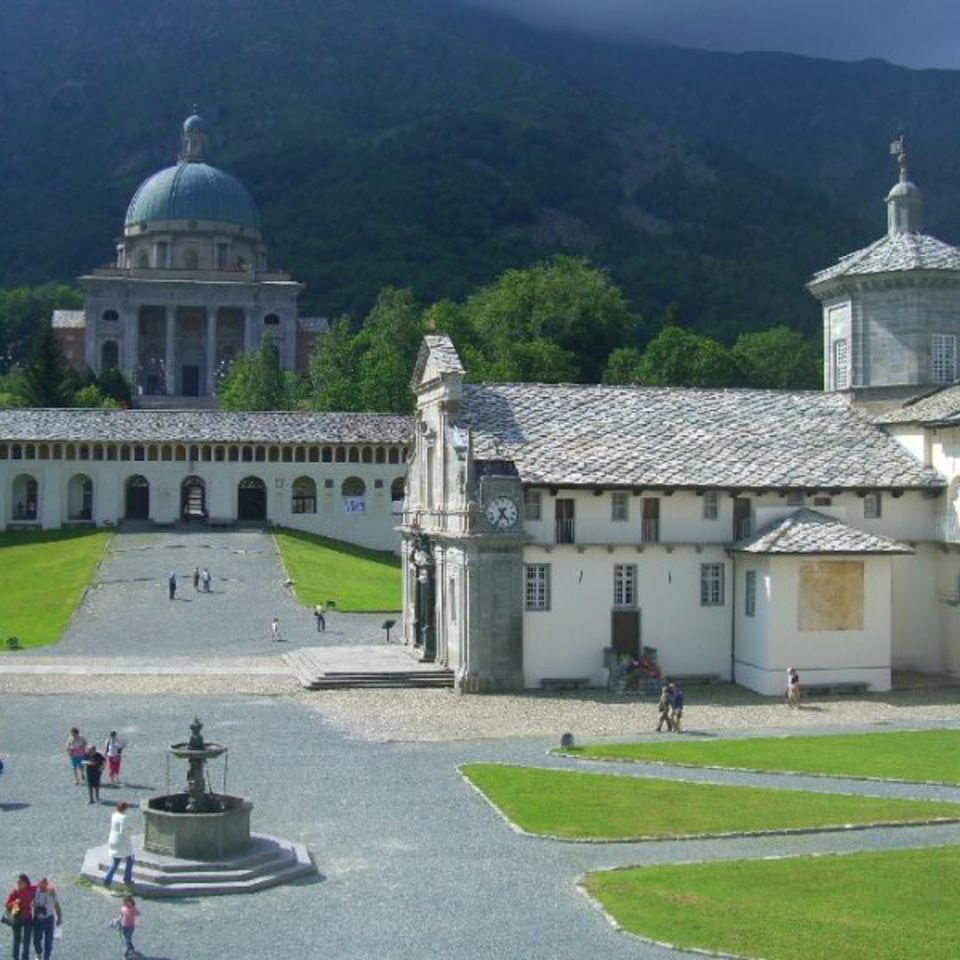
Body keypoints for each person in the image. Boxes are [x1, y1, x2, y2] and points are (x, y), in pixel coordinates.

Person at [104, 802, 134, 889]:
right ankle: (127, 879)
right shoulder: (124, 817)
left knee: (116, 861)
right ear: (125, 809)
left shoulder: (114, 815)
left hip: (113, 839)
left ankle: (107, 880)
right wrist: (130, 829)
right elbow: (123, 831)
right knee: (130, 859)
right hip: (122, 842)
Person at [4, 874, 34, 960]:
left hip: (28, 918)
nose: (18, 884)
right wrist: (15, 902)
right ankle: (15, 957)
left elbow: (40, 887)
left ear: (26, 883)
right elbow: (7, 905)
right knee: (16, 939)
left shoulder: (31, 889)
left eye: (20, 883)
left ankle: (25, 958)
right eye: (18, 882)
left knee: (27, 940)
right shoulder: (15, 892)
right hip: (17, 918)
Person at [31, 877, 61, 960]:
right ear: (38, 884)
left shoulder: (51, 892)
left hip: (49, 919)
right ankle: (38, 953)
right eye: (41, 885)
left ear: (47, 885)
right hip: (37, 920)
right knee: (36, 940)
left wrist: (59, 917)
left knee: (48, 941)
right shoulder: (34, 892)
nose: (43, 888)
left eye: (45, 885)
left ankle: (46, 957)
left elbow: (57, 905)